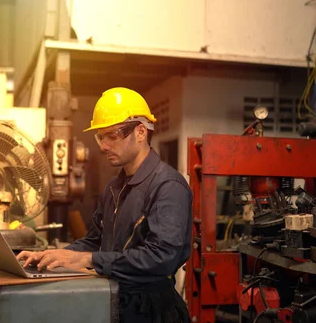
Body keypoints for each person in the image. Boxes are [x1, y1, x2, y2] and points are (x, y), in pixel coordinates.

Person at [17, 87, 192, 323]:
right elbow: (95, 241)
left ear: (140, 132)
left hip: (152, 310)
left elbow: (161, 257)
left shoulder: (168, 186)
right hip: (114, 300)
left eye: (112, 135)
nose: (103, 145)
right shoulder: (114, 188)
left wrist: (89, 260)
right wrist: (55, 256)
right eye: (101, 136)